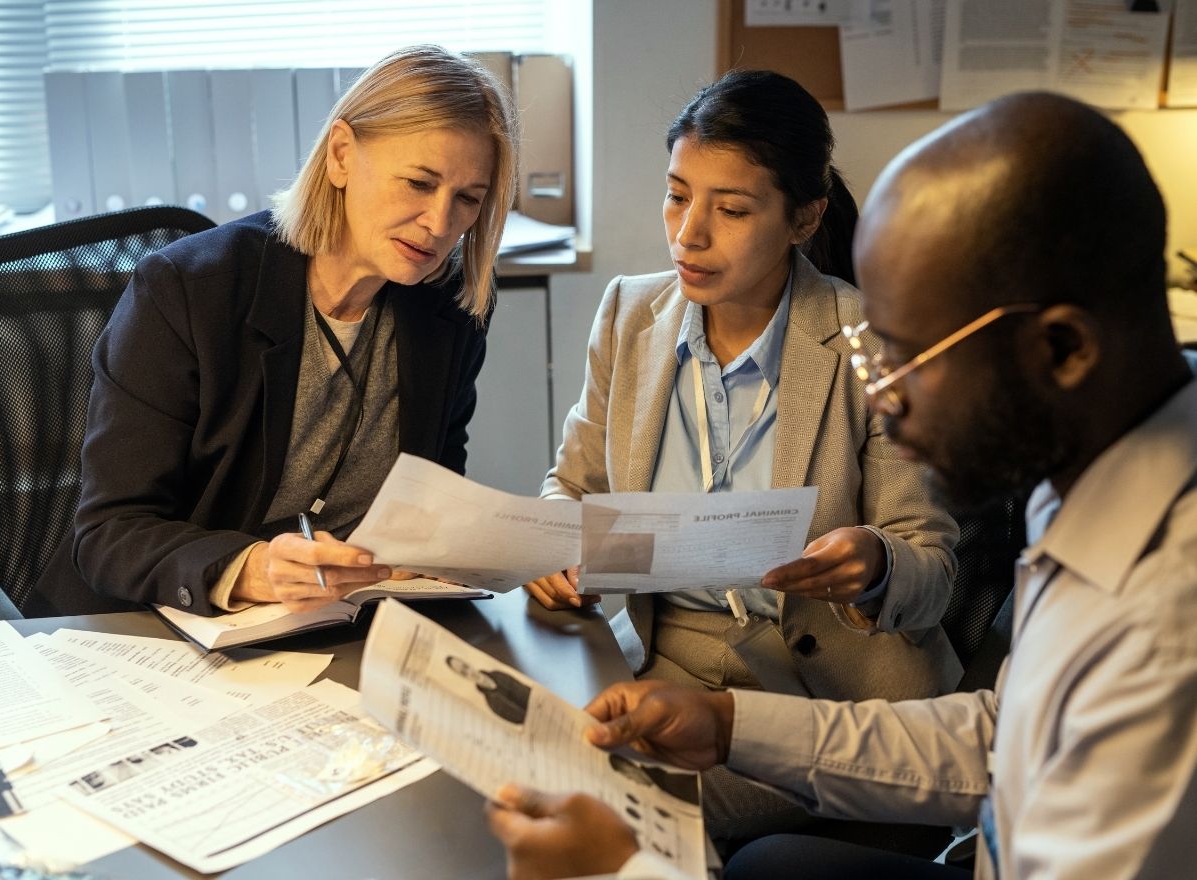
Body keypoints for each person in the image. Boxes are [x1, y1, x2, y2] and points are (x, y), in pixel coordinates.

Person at [487, 91, 1197, 879]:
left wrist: (629, 872)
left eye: (904, 354)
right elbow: (1005, 739)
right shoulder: (1078, 494)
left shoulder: (1168, 622)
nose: (882, 393)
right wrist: (729, 725)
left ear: (1063, 349)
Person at [523, 69, 959, 840]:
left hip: (825, 695)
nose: (689, 233)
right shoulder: (629, 313)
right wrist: (558, 549)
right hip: (667, 670)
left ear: (803, 218)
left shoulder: (868, 339)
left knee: (603, 808)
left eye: (729, 209)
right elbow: (572, 487)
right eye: (676, 194)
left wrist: (878, 562)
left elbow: (933, 572)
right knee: (520, 756)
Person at [32, 46, 516, 617]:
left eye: (468, 200)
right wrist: (250, 569)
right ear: (340, 155)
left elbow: (433, 494)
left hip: (332, 624)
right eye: (417, 183)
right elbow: (110, 532)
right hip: (153, 625)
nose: (440, 224)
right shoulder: (188, 290)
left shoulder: (447, 307)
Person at [445, 655, 532, 725]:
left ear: (469, 663)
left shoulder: (498, 674)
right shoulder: (492, 704)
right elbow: (524, 719)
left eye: (466, 666)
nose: (470, 673)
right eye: (464, 673)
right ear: (463, 678)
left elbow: (526, 689)